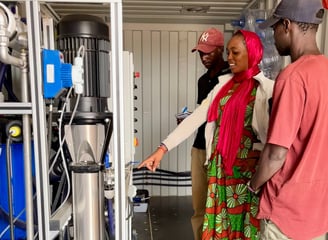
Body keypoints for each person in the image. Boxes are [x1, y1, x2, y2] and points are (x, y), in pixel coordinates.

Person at [138, 30, 274, 240]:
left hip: (249, 177)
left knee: (246, 229)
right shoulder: (223, 86)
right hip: (220, 172)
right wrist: (162, 148)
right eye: (228, 52)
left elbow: (274, 140)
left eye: (235, 52)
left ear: (253, 53)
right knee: (219, 228)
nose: (229, 57)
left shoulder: (267, 90)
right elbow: (196, 118)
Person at [248, 0, 328, 239]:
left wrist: (253, 185)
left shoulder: (293, 76)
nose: (273, 35)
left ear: (287, 25)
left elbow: (276, 154)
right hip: (317, 213)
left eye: (274, 29)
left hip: (285, 211)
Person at [186, 27, 230, 240]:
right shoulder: (202, 81)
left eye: (209, 52)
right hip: (199, 147)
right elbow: (203, 114)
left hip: (220, 150)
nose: (204, 57)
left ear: (221, 49)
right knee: (199, 205)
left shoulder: (232, 78)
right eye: (201, 53)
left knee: (221, 205)